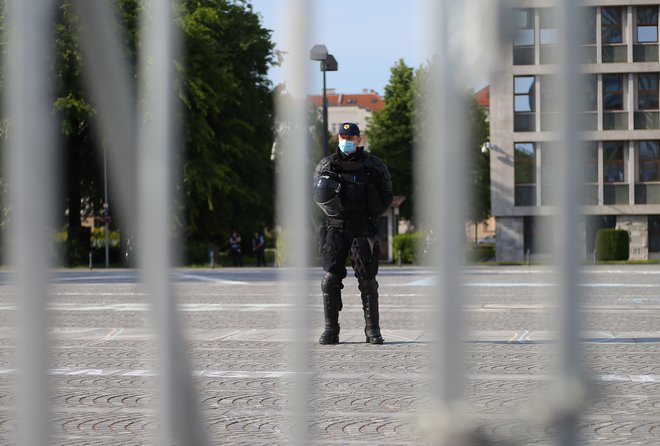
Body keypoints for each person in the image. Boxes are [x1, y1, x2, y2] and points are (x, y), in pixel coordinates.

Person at [313, 122, 393, 345]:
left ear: (359, 140)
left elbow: (387, 195)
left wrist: (373, 217)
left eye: (350, 137)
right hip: (336, 228)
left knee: (368, 281)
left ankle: (372, 330)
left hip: (363, 227)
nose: (346, 140)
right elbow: (316, 199)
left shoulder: (373, 165)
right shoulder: (326, 165)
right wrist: (321, 230)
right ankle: (331, 330)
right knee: (330, 280)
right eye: (342, 136)